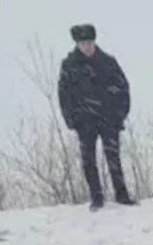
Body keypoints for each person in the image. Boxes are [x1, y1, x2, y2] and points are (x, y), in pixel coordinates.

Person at [57, 23, 136, 211]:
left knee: (113, 157)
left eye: (90, 42)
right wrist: (72, 119)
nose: (87, 46)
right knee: (88, 160)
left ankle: (122, 195)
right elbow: (64, 95)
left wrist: (119, 115)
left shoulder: (108, 62)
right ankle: (96, 197)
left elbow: (123, 89)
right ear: (77, 44)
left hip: (109, 119)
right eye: (83, 43)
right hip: (85, 121)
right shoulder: (69, 66)